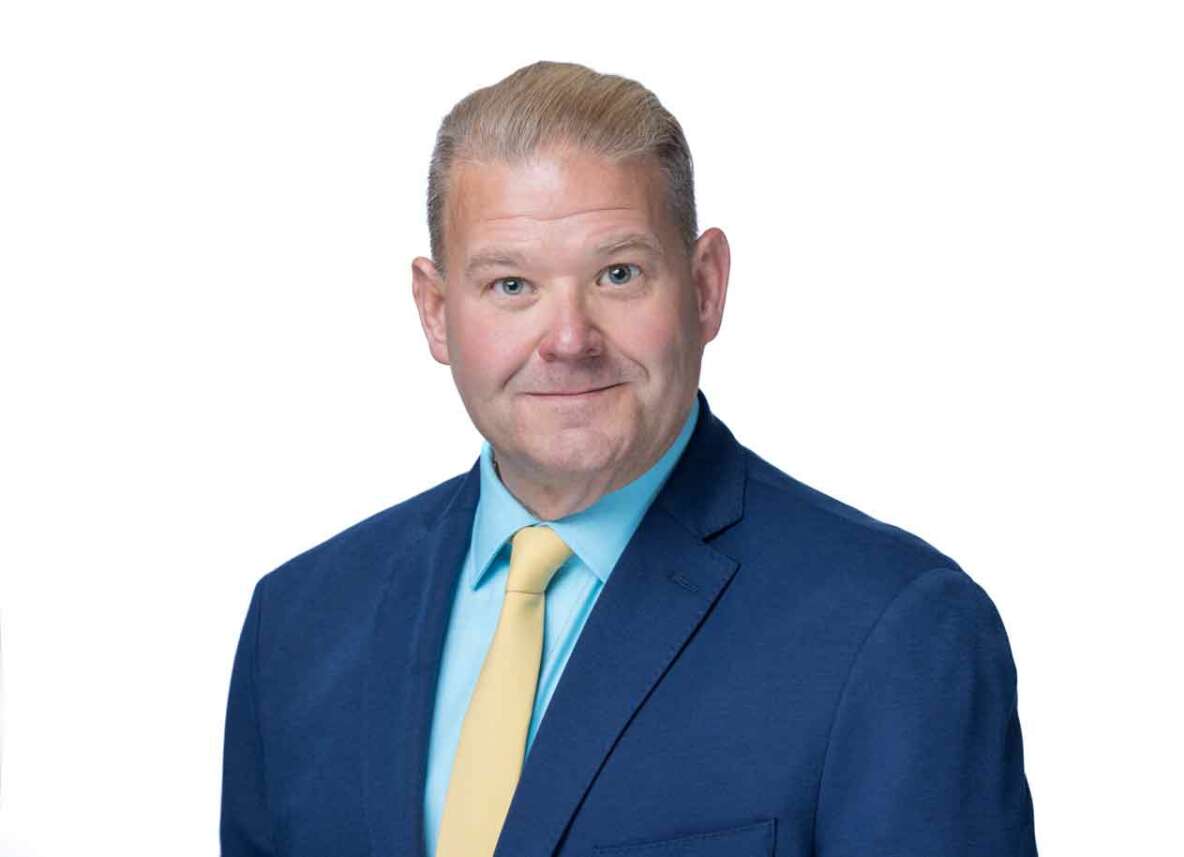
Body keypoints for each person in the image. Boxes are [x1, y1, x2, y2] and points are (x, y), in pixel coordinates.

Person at [220, 60, 1038, 857]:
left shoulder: (892, 629)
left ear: (705, 286)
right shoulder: (297, 626)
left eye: (618, 274)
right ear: (436, 311)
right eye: (511, 285)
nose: (568, 340)